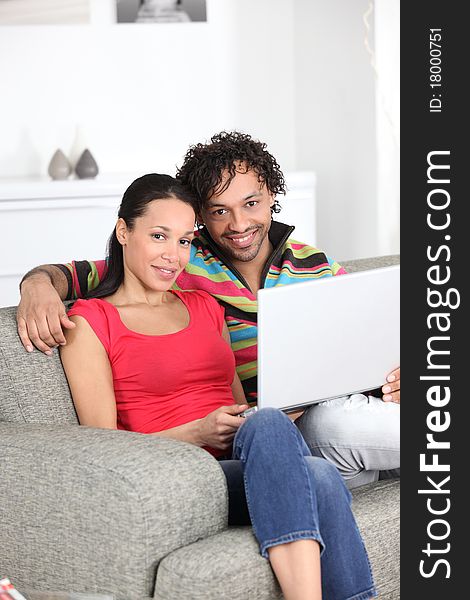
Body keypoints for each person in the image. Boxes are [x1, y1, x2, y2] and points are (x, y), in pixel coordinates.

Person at [17, 131, 400, 488]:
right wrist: (36, 284)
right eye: (219, 211)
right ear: (201, 215)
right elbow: (90, 273)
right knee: (336, 420)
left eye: (251, 203)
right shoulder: (179, 260)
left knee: (355, 415)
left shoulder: (314, 262)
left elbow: (368, 337)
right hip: (280, 436)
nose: (238, 224)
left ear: (270, 194)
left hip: (355, 412)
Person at [59, 173, 376, 600]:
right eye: (158, 236)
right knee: (314, 473)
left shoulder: (205, 305)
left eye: (185, 241)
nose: (173, 256)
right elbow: (101, 449)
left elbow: (237, 403)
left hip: (244, 460)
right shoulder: (90, 321)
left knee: (285, 440)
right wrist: (197, 433)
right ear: (123, 231)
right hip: (174, 474)